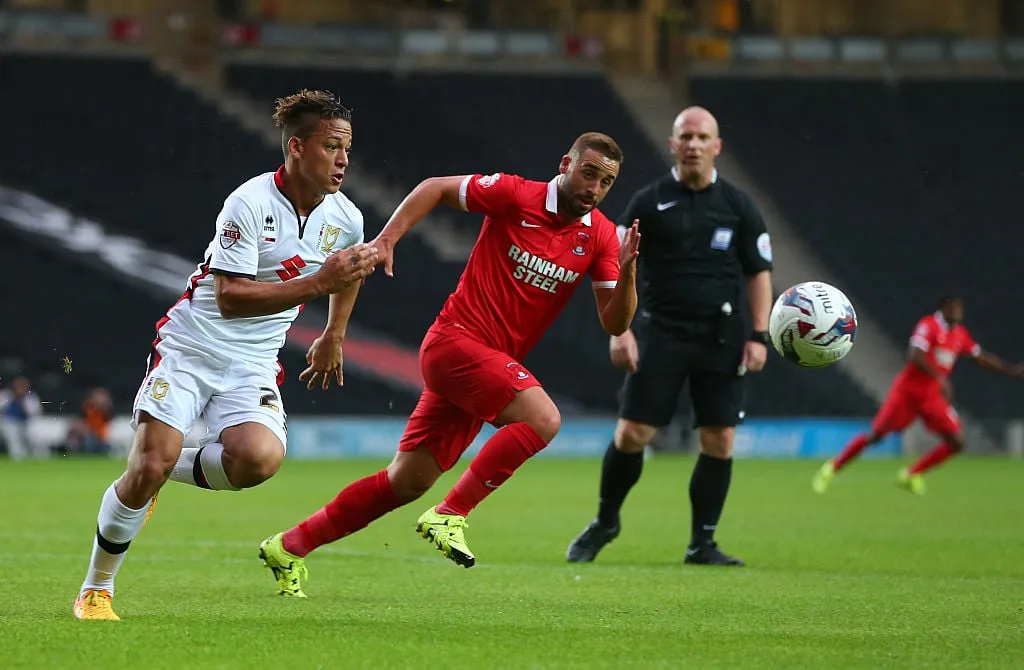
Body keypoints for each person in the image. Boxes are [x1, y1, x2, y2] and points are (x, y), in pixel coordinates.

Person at [257, 132, 640, 597]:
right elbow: (435, 186)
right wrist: (386, 241)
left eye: (606, 182)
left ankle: (290, 546)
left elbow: (614, 322)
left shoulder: (599, 235)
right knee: (544, 419)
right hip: (455, 344)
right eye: (589, 174)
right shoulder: (515, 194)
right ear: (566, 164)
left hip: (485, 366)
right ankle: (450, 514)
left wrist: (628, 273)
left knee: (407, 481)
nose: (595, 189)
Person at [72, 89, 379, 621]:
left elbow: (348, 270)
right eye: (332, 147)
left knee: (259, 460)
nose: (344, 160)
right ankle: (96, 588)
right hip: (193, 347)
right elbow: (233, 298)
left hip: (253, 362)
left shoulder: (346, 217)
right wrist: (316, 285)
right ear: (297, 147)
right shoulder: (250, 203)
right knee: (145, 463)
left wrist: (333, 333)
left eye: (347, 149)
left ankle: (165, 467)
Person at [566, 107, 774, 567]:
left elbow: (759, 273)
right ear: (673, 145)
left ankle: (703, 542)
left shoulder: (740, 206)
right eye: (686, 136)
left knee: (719, 440)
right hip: (659, 332)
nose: (694, 144)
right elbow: (611, 262)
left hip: (721, 338)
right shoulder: (647, 201)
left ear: (717, 146)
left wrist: (759, 334)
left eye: (703, 137)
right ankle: (605, 521)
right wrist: (619, 331)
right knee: (632, 432)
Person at [813, 295, 1023, 495]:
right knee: (875, 436)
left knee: (957, 442)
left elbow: (980, 357)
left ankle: (910, 475)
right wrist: (939, 377)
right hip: (908, 393)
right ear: (944, 307)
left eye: (960, 308)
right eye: (954, 307)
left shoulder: (959, 334)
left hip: (932, 397)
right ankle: (832, 467)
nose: (958, 312)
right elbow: (914, 354)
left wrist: (1010, 370)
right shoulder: (929, 325)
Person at [0, 376, 43, 460]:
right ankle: (18, 458)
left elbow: (34, 412)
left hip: (27, 422)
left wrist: (23, 401)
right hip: (9, 422)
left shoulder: (31, 397)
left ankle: (38, 457)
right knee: (13, 438)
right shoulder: (6, 395)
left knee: (33, 439)